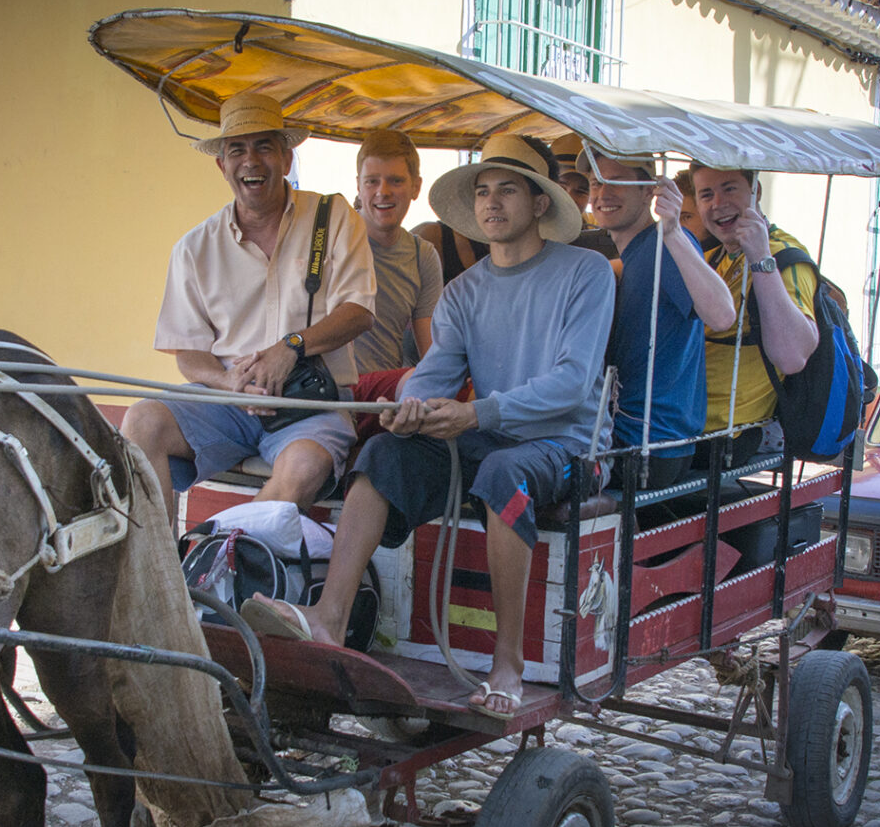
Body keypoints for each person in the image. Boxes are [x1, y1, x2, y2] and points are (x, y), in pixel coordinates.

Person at [239, 137, 614, 715]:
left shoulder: (586, 273)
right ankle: (328, 619)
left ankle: (507, 663)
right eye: (483, 191)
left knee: (502, 471)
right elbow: (434, 370)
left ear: (541, 203)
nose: (492, 202)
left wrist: (475, 413)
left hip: (570, 442)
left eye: (508, 189)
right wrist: (407, 406)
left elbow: (572, 382)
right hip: (492, 433)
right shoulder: (465, 290)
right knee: (387, 451)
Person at [125, 92, 377, 509]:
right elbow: (189, 352)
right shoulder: (193, 248)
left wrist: (290, 348)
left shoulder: (332, 217)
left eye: (264, 146)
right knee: (141, 420)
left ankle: (222, 556)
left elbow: (359, 312)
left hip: (309, 406)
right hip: (228, 405)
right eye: (237, 150)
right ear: (221, 164)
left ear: (287, 158)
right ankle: (163, 570)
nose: (251, 161)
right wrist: (229, 384)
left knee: (301, 469)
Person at [586, 153, 737, 488]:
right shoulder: (635, 253)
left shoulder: (666, 245)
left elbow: (722, 315)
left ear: (647, 192)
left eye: (618, 181)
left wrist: (671, 231)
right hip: (632, 440)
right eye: (597, 183)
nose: (603, 193)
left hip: (645, 448)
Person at [693, 166, 820, 450]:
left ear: (756, 192)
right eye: (706, 195)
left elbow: (792, 358)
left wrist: (760, 257)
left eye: (729, 189)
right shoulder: (711, 258)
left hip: (723, 436)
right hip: (684, 420)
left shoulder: (783, 256)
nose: (717, 205)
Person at [345, 136, 442, 379]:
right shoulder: (333, 239)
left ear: (416, 187)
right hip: (330, 392)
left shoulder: (423, 256)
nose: (383, 192)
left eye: (395, 181)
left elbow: (430, 350)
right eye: (372, 182)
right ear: (359, 185)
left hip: (386, 396)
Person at [554, 155, 620, 260]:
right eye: (562, 188)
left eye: (580, 192)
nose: (570, 198)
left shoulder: (599, 228)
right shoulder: (528, 233)